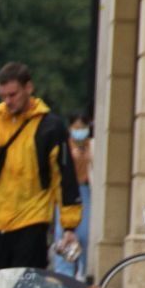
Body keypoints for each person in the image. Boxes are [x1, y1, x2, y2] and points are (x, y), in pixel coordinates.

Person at [0, 61, 82, 275]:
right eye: (3, 95)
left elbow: (63, 177)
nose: (7, 101)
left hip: (30, 224)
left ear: (28, 88)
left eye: (13, 95)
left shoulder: (50, 127)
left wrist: (69, 225)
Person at [51, 113, 93, 278]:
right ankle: (64, 273)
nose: (79, 131)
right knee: (63, 233)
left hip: (85, 190)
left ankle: (82, 271)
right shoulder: (65, 147)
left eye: (82, 128)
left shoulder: (91, 146)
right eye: (76, 128)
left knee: (83, 234)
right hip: (66, 191)